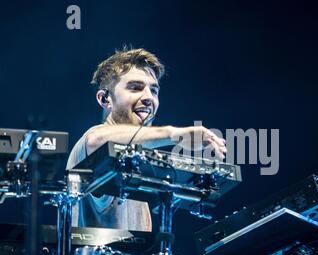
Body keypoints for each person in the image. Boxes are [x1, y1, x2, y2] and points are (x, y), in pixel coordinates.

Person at [66, 48, 226, 232]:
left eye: (154, 90)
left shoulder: (139, 160)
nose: (149, 98)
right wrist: (173, 134)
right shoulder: (94, 136)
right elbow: (98, 140)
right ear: (105, 99)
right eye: (135, 88)